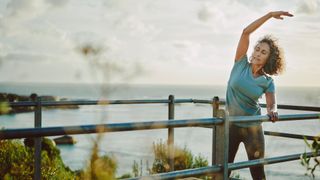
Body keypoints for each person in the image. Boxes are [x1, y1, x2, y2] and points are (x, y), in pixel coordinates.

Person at [226, 11, 293, 179]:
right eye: (257, 49)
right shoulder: (240, 63)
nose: (257, 53)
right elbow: (246, 32)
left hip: (253, 128)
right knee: (222, 170)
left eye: (263, 52)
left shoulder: (267, 81)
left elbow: (272, 103)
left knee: (257, 173)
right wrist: (270, 15)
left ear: (269, 59)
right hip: (231, 125)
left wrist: (272, 111)